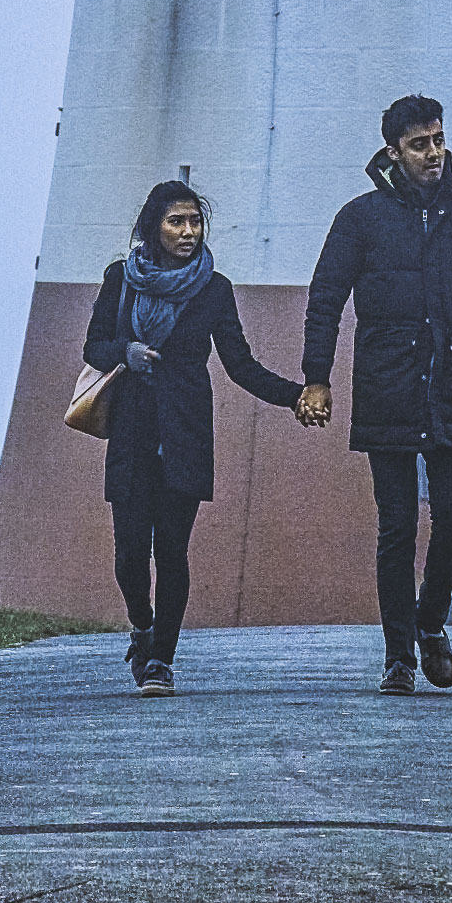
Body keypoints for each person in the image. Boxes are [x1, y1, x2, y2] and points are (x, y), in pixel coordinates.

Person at [297, 94, 452, 697]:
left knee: (451, 521)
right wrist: (318, 375)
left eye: (439, 139)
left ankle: (430, 622)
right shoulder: (359, 219)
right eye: (420, 144)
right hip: (386, 390)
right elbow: (325, 301)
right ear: (393, 152)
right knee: (395, 527)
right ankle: (399, 656)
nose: (435, 153)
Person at [82, 176, 305, 692]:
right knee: (131, 551)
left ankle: (161, 659)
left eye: (195, 221)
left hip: (184, 435)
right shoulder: (121, 278)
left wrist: (294, 394)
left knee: (173, 551)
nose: (188, 231)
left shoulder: (214, 288)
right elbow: (94, 346)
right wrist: (126, 352)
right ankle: (142, 625)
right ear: (153, 227)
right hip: (132, 433)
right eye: (176, 221)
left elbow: (240, 364)